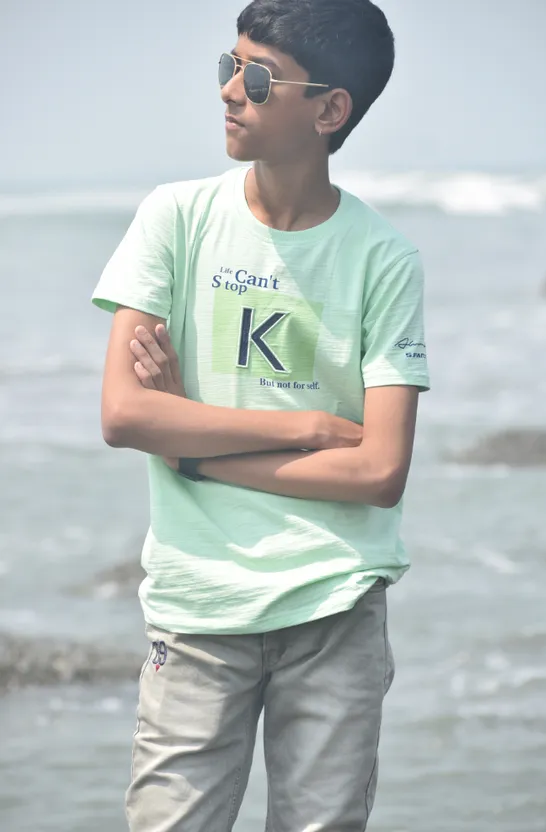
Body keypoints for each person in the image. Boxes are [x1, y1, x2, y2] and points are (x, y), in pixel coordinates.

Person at [92, 1, 430, 829]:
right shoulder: (174, 218)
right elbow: (126, 413)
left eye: (257, 77)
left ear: (330, 109)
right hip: (197, 604)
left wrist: (196, 448)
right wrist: (307, 427)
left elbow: (380, 474)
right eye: (228, 66)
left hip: (335, 604)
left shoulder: (384, 259)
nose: (229, 92)